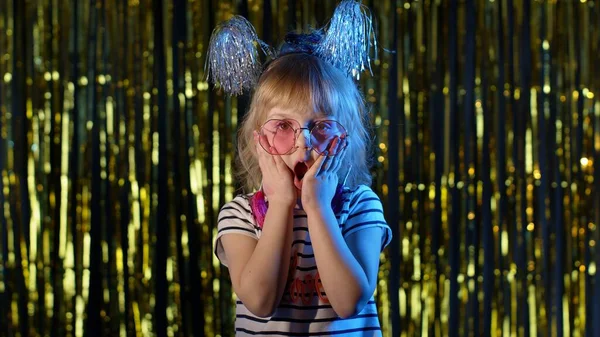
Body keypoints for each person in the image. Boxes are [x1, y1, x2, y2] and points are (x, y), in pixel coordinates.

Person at [210, 2, 392, 335]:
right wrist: (280, 203)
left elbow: (349, 302)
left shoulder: (360, 206)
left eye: (321, 124)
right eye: (282, 124)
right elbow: (259, 302)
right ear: (258, 141)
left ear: (344, 138)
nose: (304, 143)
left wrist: (318, 206)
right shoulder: (239, 215)